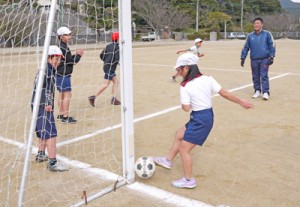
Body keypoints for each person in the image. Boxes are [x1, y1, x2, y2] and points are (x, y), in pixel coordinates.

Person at [153, 53, 253, 189]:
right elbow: (224, 93)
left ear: (186, 68)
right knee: (179, 134)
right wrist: (241, 101)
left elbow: (186, 109)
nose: (178, 72)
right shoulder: (208, 78)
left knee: (184, 149)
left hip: (200, 119)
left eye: (179, 69)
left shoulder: (185, 86)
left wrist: (183, 102)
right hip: (206, 116)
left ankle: (189, 180)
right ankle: (167, 160)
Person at [31, 45, 69, 172]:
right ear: (48, 58)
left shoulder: (47, 69)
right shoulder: (46, 70)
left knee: (43, 130)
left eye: (59, 60)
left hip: (38, 104)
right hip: (43, 104)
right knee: (51, 132)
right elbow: (41, 88)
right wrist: (47, 103)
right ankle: (52, 162)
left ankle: (41, 153)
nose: (57, 62)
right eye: (55, 59)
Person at [241, 17, 276, 100]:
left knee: (263, 75)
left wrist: (271, 56)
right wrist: (243, 58)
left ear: (262, 25)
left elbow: (272, 45)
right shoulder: (250, 36)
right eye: (255, 23)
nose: (256, 25)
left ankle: (265, 92)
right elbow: (245, 47)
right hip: (254, 59)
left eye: (258, 23)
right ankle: (257, 90)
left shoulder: (267, 34)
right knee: (255, 76)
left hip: (265, 59)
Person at [56, 26, 84, 123]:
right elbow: (72, 61)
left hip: (59, 73)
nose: (69, 37)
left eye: (69, 35)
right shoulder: (63, 47)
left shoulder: (60, 46)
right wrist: (79, 55)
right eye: (67, 35)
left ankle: (60, 114)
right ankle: (65, 117)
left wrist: (74, 55)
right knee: (67, 94)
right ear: (61, 37)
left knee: (61, 94)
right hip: (64, 74)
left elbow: (67, 59)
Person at [88, 32, 121, 107]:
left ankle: (113, 99)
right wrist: (118, 63)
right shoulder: (117, 47)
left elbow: (101, 55)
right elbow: (117, 58)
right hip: (110, 67)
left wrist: (106, 61)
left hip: (106, 66)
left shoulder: (108, 46)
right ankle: (93, 97)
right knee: (105, 84)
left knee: (116, 82)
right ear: (118, 39)